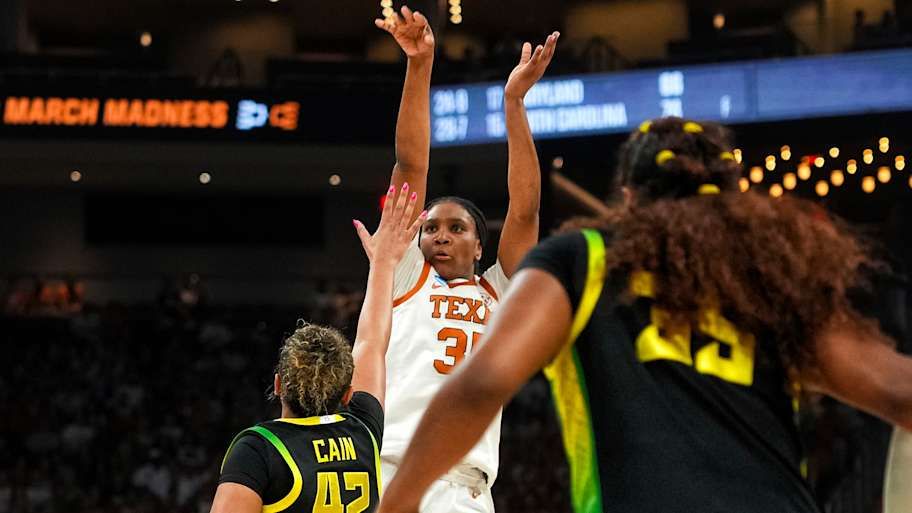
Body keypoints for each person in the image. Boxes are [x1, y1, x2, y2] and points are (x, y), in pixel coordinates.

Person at [376, 117, 912, 513]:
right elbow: (897, 390)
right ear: (730, 198)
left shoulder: (586, 258)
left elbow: (482, 384)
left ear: (629, 197)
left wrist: (397, 503)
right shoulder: (768, 279)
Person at [371, 6, 559, 512]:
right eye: (431, 227)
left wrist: (514, 103)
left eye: (457, 229)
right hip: (391, 472)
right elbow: (411, 163)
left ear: (480, 246)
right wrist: (419, 65)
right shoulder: (404, 275)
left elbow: (525, 209)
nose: (440, 236)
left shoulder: (499, 291)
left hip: (468, 488)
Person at [210, 184, 425, 513]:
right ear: (348, 394)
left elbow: (371, 344)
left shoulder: (259, 448)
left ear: (279, 383)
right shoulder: (363, 431)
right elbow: (371, 342)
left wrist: (383, 263)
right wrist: (384, 264)